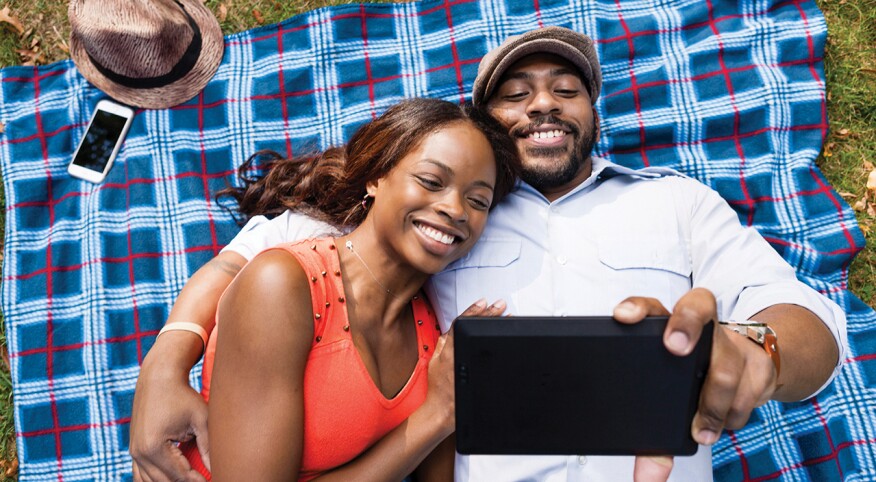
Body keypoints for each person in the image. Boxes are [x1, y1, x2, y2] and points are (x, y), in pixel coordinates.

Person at [130, 26, 848, 482]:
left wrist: (760, 349)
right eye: (515, 94)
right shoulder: (437, 205)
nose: (543, 104)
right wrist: (167, 361)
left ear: (592, 117)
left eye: (567, 91)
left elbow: (810, 325)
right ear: (486, 125)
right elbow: (244, 261)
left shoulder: (676, 201)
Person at [132, 97, 521, 481]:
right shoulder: (282, 282)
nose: (455, 209)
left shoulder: (434, 338)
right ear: (376, 177)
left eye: (478, 201)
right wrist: (434, 417)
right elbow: (228, 264)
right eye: (431, 181)